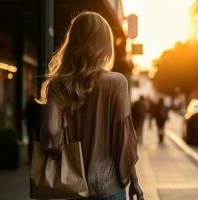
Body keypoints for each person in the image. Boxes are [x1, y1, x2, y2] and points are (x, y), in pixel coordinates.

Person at [36, 12, 144, 200]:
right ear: (104, 43)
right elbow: (123, 141)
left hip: (69, 186)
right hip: (107, 187)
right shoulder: (116, 83)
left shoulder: (59, 85)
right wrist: (134, 182)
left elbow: (50, 132)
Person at [24, 94, 41, 162]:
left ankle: (32, 158)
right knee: (33, 142)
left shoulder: (30, 105)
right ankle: (32, 158)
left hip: (33, 126)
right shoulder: (35, 105)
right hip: (33, 126)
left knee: (33, 142)